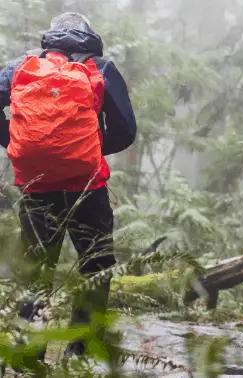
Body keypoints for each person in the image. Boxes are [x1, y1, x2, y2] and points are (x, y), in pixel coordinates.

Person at [0, 12, 137, 360]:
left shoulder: (19, 67)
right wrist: (85, 147)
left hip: (36, 186)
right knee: (96, 265)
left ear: (50, 38)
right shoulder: (101, 68)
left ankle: (29, 353)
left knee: (36, 267)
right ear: (89, 35)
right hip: (88, 187)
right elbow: (126, 130)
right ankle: (81, 350)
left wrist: (14, 142)